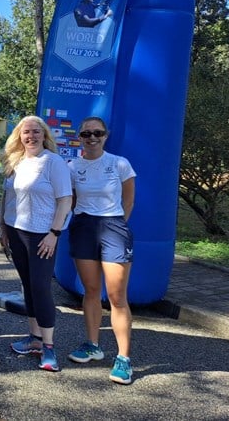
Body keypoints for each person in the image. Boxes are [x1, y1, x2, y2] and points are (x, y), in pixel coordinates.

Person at [66, 116, 136, 385]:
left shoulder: (119, 163)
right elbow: (71, 201)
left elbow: (128, 200)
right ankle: (93, 345)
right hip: (84, 227)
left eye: (97, 133)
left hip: (113, 226)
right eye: (86, 133)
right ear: (79, 137)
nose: (92, 137)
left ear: (105, 136)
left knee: (117, 296)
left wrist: (117, 225)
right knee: (91, 291)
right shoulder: (72, 167)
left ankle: (124, 358)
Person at [0, 115, 72, 372]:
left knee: (41, 289)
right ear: (19, 135)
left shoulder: (53, 162)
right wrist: (3, 228)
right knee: (27, 287)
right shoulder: (15, 162)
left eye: (36, 132)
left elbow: (65, 200)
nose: (31, 136)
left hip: (42, 235)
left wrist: (54, 233)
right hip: (16, 233)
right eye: (26, 132)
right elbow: (7, 196)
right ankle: (34, 339)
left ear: (44, 135)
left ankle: (49, 347)